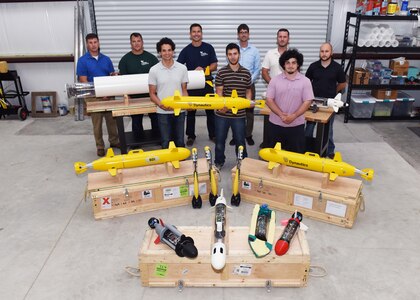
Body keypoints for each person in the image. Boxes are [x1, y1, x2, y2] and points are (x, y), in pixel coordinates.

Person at [76, 33, 120, 157]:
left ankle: (114, 141)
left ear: (99, 43)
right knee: (97, 123)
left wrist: (114, 79)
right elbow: (83, 80)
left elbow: (111, 75)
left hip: (108, 94)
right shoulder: (83, 61)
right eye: (90, 43)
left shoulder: (106, 59)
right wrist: (100, 94)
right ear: (87, 44)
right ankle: (100, 146)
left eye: (95, 42)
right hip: (93, 96)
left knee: (112, 121)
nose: (93, 45)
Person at [265, 49, 313, 153]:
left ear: (298, 64)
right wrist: (280, 114)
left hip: (296, 126)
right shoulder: (275, 80)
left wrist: (294, 116)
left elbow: (307, 101)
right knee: (274, 156)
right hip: (276, 125)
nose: (290, 65)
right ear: (283, 65)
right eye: (287, 63)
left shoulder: (305, 81)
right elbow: (269, 100)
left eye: (293, 62)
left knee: (296, 158)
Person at [177, 23, 218, 147]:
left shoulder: (208, 48)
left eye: (198, 31)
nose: (196, 34)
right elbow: (179, 66)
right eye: (194, 32)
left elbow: (214, 65)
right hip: (192, 85)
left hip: (207, 83)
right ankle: (190, 135)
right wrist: (189, 73)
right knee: (191, 111)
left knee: (210, 110)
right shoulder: (186, 50)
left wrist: (204, 69)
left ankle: (213, 134)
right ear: (190, 34)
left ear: (201, 33)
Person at [305, 42, 347, 158]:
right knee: (309, 126)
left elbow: (343, 83)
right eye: (322, 51)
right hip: (314, 102)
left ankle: (329, 150)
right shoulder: (313, 66)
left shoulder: (337, 68)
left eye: (326, 51)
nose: (324, 54)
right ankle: (305, 147)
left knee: (328, 128)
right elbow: (306, 82)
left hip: (329, 103)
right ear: (319, 53)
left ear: (331, 52)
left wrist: (334, 91)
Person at [214, 43, 252, 170]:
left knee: (240, 141)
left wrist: (248, 102)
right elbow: (219, 92)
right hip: (222, 114)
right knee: (219, 141)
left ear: (239, 55)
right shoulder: (221, 73)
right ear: (227, 56)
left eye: (235, 54)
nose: (233, 56)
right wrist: (221, 106)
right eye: (230, 54)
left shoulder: (246, 73)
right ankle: (219, 161)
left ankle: (243, 162)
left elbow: (248, 91)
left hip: (239, 114)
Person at [148, 38, 188, 148]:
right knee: (166, 142)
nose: (167, 53)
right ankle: (167, 165)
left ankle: (182, 164)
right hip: (162, 112)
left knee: (180, 141)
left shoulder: (182, 68)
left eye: (169, 50)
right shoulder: (154, 70)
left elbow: (184, 90)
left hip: (180, 111)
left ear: (173, 51)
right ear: (160, 53)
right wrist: (162, 105)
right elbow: (152, 93)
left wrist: (187, 104)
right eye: (164, 50)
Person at [118, 32, 159, 139]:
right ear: (130, 43)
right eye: (134, 41)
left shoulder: (151, 58)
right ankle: (137, 141)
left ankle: (158, 138)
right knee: (136, 120)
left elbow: (158, 77)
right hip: (134, 97)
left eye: (138, 41)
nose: (136, 44)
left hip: (151, 96)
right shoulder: (125, 60)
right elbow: (123, 80)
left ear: (142, 42)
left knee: (155, 118)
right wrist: (127, 96)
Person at [235, 23, 260, 146]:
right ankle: (236, 135)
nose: (243, 34)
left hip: (249, 85)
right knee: (234, 110)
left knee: (249, 111)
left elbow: (257, 69)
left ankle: (248, 135)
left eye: (245, 32)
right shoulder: (234, 49)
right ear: (238, 35)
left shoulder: (254, 50)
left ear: (248, 35)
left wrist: (249, 81)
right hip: (235, 86)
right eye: (241, 32)